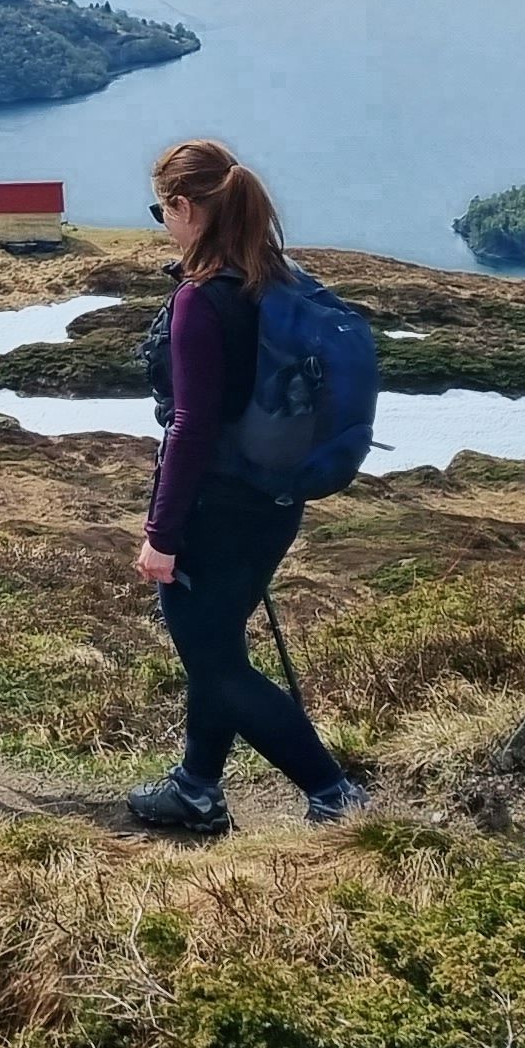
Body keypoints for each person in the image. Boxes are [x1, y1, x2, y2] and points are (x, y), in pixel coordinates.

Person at [126, 139, 367, 835]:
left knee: (219, 667)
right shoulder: (281, 282)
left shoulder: (203, 300)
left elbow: (193, 428)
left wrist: (161, 535)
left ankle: (333, 795)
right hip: (272, 502)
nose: (162, 223)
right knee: (219, 651)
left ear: (186, 208)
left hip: (214, 510)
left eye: (161, 210)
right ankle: (196, 788)